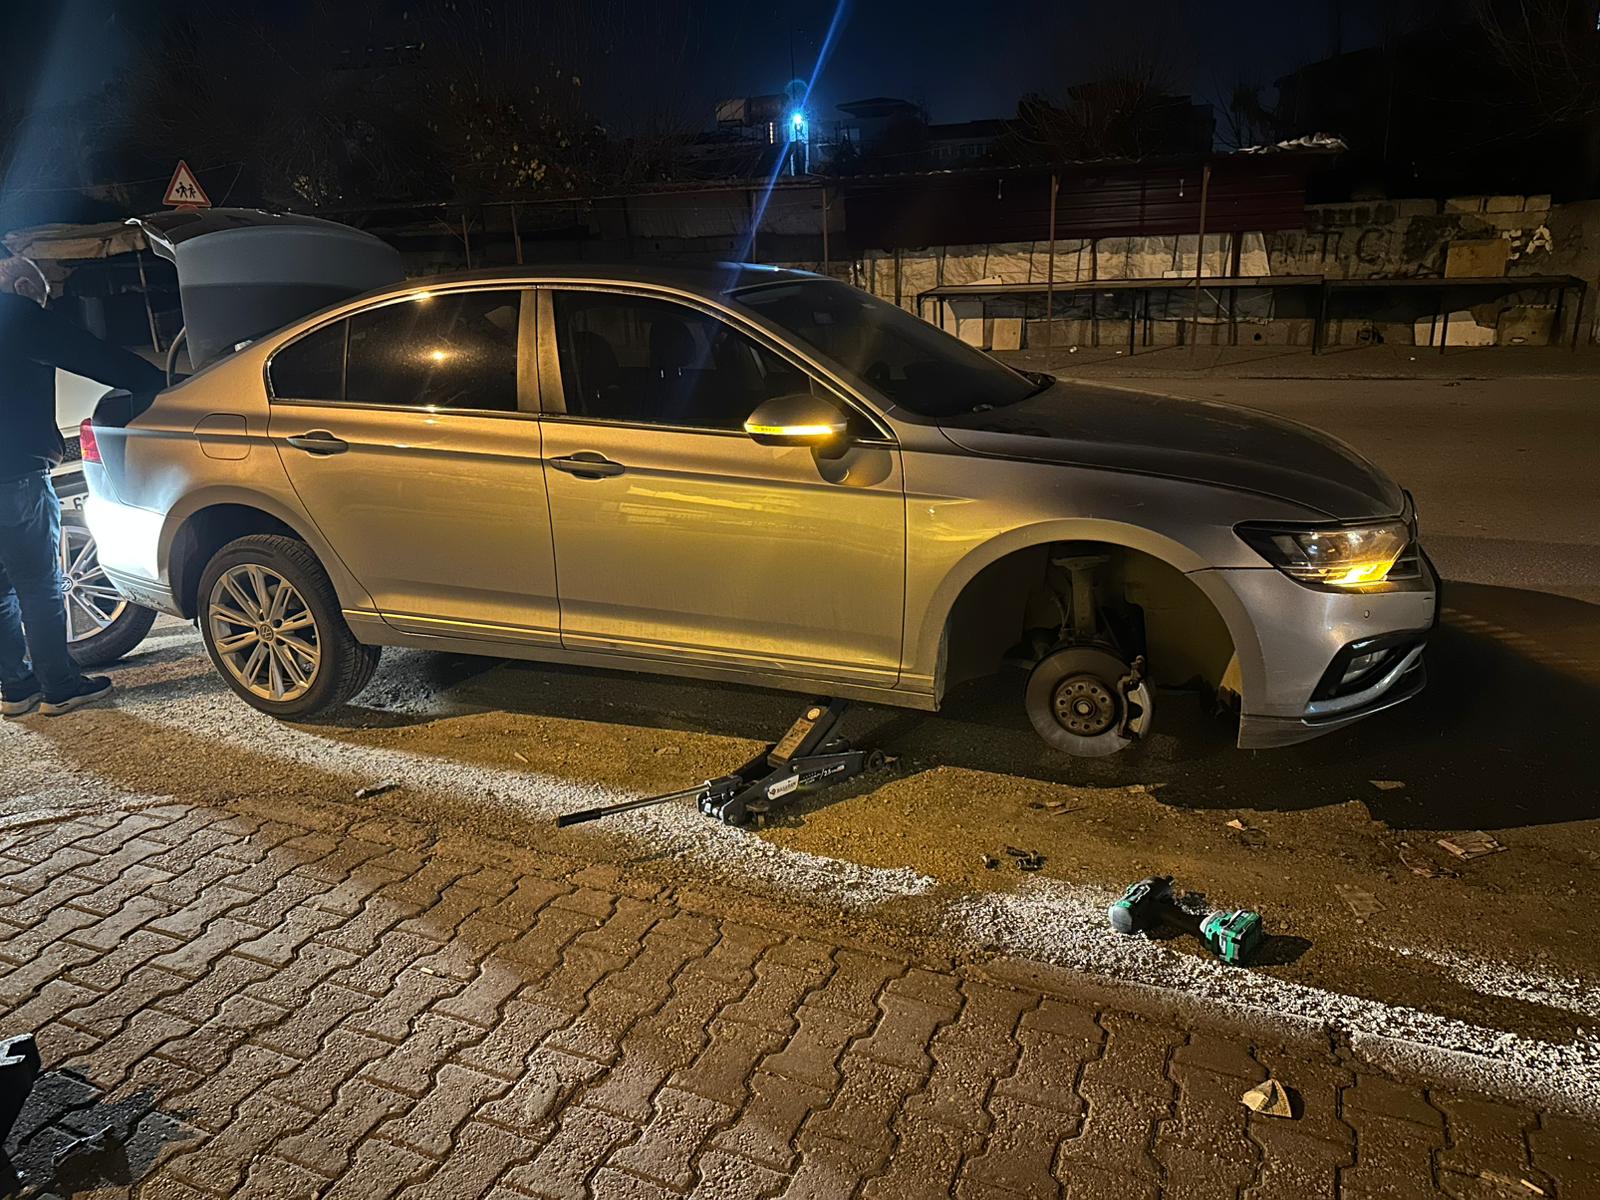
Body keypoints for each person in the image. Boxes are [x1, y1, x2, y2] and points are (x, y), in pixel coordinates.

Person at [0, 256, 165, 717]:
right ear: (24, 285)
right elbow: (93, 355)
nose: (43, 304)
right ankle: (60, 687)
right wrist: (158, 383)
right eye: (42, 296)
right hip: (13, 474)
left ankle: (16, 689)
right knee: (38, 583)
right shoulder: (16, 315)